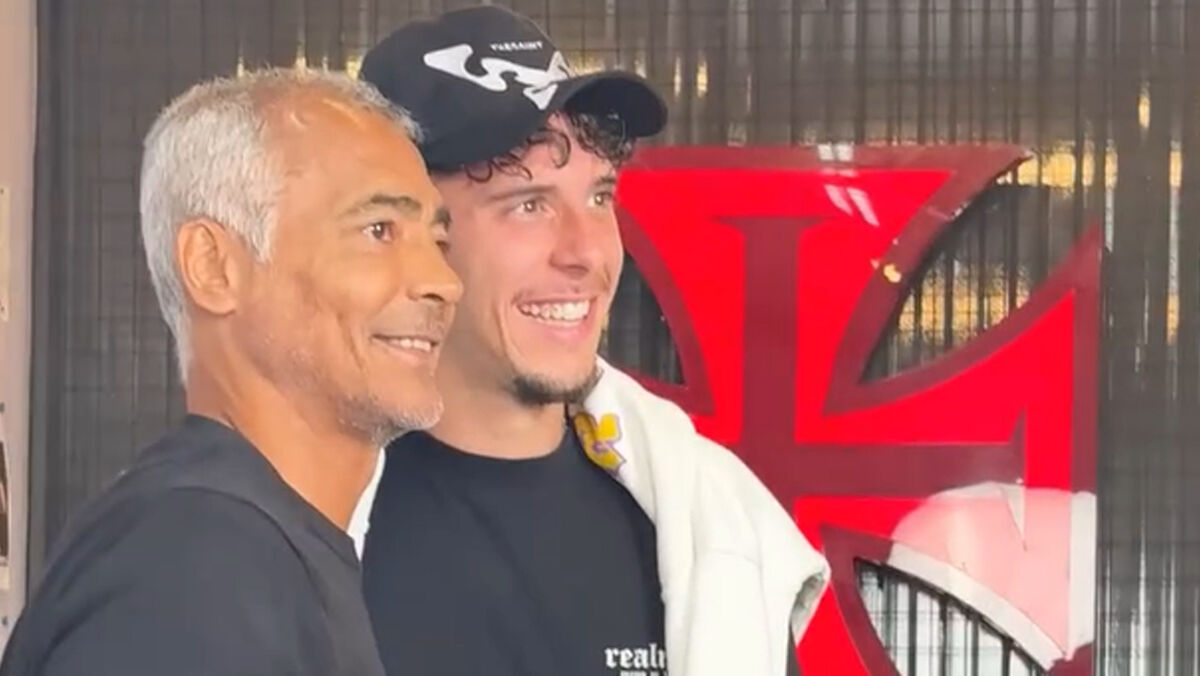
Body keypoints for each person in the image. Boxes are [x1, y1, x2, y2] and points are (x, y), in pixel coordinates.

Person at [352, 6, 829, 676]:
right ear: (404, 233)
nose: (587, 252)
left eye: (600, 197)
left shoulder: (705, 528)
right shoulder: (304, 525)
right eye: (529, 205)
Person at [1, 68, 461, 675]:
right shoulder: (192, 569)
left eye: (437, 241)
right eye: (379, 231)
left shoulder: (248, 551)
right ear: (213, 267)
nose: (443, 283)